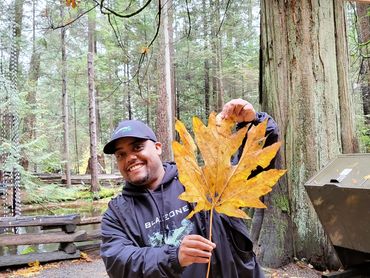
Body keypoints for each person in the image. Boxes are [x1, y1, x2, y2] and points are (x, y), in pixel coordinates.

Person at [100, 98, 279, 278]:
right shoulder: (117, 214)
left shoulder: (203, 181)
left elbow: (252, 164)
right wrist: (173, 257)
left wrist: (252, 123)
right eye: (121, 155)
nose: (129, 158)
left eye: (137, 147)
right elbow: (118, 262)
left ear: (158, 148)